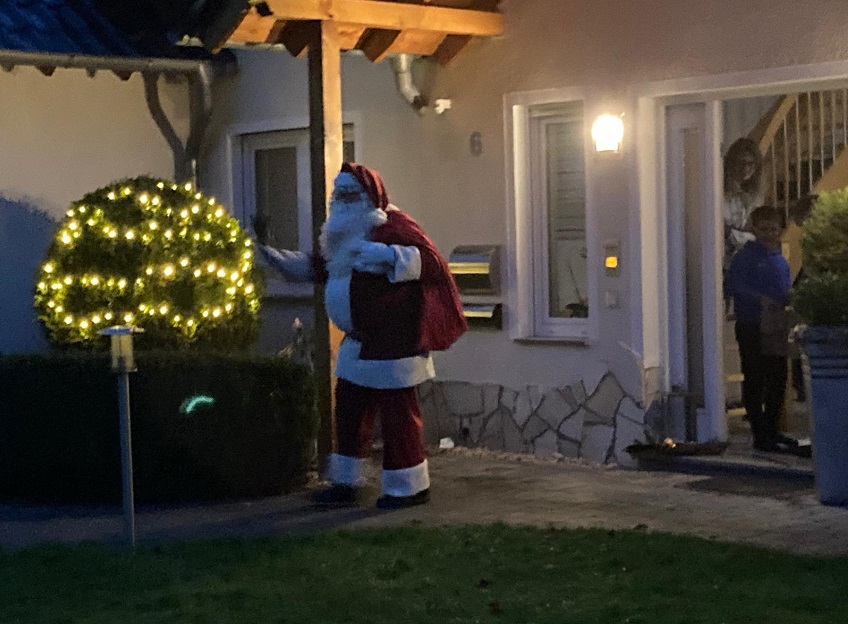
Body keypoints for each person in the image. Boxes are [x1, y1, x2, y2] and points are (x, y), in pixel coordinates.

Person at [255, 163, 466, 509]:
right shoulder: (342, 236)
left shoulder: (393, 225)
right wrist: (273, 257)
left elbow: (432, 263)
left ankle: (408, 487)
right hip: (358, 343)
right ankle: (345, 482)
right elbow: (318, 267)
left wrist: (388, 256)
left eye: (351, 195)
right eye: (339, 195)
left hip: (393, 342)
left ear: (371, 196)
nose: (342, 201)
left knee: (398, 416)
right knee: (349, 413)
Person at [727, 205, 807, 455]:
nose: (769, 234)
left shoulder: (779, 258)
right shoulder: (745, 257)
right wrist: (758, 299)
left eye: (773, 229)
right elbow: (732, 286)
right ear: (754, 228)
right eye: (763, 229)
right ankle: (760, 435)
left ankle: (772, 429)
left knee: (778, 377)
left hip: (775, 325)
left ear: (780, 228)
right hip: (751, 323)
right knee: (755, 377)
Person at [723, 138, 764, 271]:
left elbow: (755, 232)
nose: (745, 169)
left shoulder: (750, 195)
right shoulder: (720, 192)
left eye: (750, 164)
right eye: (741, 163)